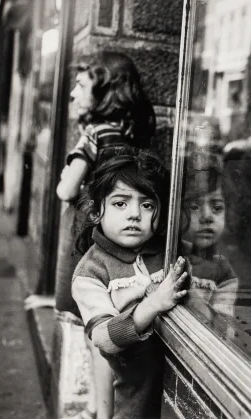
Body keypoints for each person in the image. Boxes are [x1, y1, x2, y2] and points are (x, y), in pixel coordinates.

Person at [26, 50, 156, 419]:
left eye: (81, 86)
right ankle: (104, 409)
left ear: (104, 92)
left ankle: (96, 410)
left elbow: (66, 190)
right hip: (124, 249)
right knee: (110, 325)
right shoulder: (135, 135)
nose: (73, 95)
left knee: (91, 328)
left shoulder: (95, 135)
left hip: (88, 242)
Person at [72, 149, 188, 419]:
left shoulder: (169, 251)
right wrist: (154, 304)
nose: (134, 214)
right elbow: (104, 339)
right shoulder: (91, 272)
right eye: (120, 203)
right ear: (96, 211)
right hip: (134, 401)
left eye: (147, 205)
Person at [179, 152, 239, 319]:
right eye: (193, 206)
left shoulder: (223, 273)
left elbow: (222, 326)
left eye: (217, 208)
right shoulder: (164, 257)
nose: (207, 216)